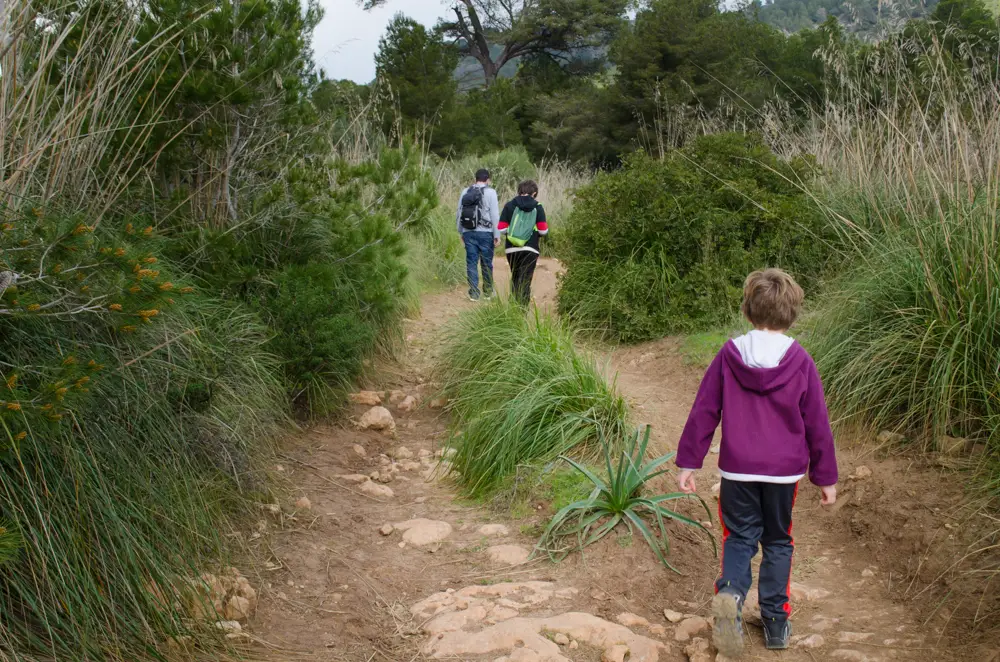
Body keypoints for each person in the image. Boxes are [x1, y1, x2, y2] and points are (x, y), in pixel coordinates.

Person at [674, 268, 839, 657]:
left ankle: (730, 594)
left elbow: (704, 411)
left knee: (740, 537)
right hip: (784, 473)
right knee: (778, 540)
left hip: (738, 469)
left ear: (747, 311)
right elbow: (818, 424)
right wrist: (826, 477)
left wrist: (689, 462)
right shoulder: (800, 361)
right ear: (792, 315)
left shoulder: (729, 356)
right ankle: (776, 622)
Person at [498, 180, 548, 306]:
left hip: (512, 249)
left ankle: (513, 308)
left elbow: (501, 228)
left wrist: (513, 231)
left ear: (519, 191)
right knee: (525, 280)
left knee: (515, 277)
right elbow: (543, 230)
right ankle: (522, 311)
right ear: (534, 193)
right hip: (530, 249)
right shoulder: (538, 206)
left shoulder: (509, 205)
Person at [456, 168, 501, 301]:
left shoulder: (465, 191)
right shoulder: (491, 192)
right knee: (486, 263)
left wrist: (461, 231)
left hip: (468, 231)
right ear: (488, 180)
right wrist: (496, 234)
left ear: (475, 179)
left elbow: (459, 212)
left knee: (471, 262)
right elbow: (494, 215)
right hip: (486, 233)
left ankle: (474, 293)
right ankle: (487, 292)